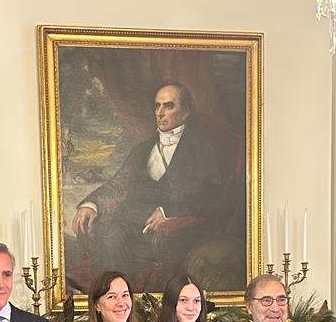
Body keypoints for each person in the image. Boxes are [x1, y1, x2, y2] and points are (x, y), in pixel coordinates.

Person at [70, 83, 223, 290]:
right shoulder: (142, 150)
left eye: (168, 106)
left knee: (113, 240)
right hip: (127, 225)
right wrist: (91, 204)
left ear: (185, 112)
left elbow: (213, 197)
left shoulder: (201, 150)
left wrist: (169, 212)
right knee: (108, 235)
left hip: (168, 235)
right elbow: (118, 182)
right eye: (157, 106)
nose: (160, 113)